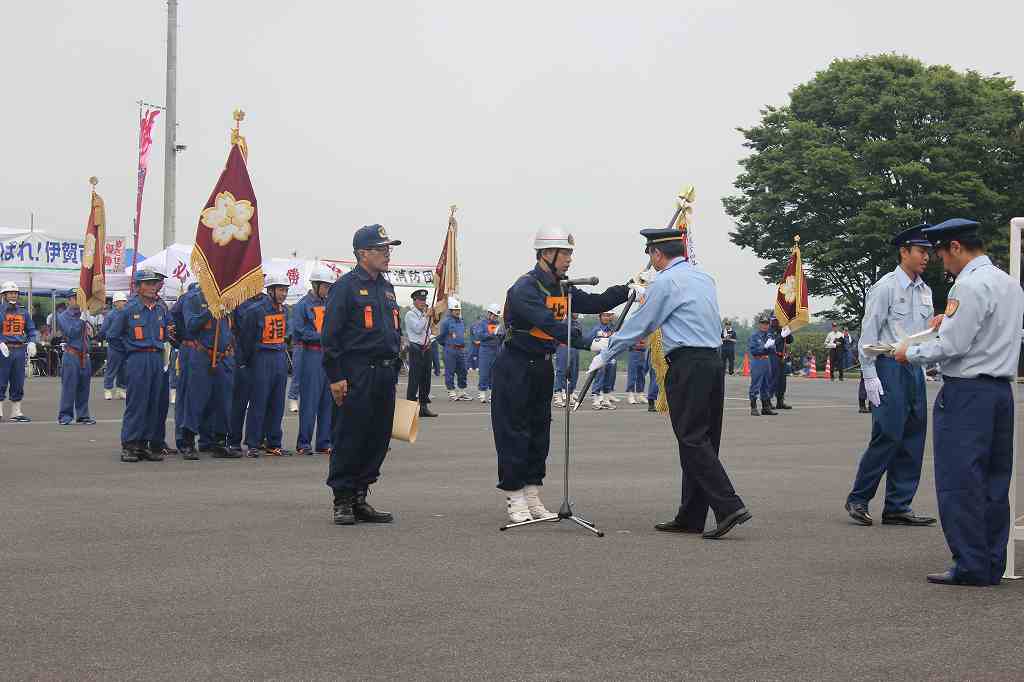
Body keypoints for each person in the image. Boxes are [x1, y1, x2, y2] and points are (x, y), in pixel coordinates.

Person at [589, 228, 751, 538]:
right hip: (712, 361)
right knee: (703, 439)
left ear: (656, 254)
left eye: (650, 255)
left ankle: (729, 506)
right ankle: (691, 514)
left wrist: (608, 352)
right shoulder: (703, 277)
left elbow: (642, 323)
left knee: (691, 438)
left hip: (688, 364)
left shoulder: (664, 281)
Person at [896, 218, 1024, 586]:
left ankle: (970, 564)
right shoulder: (1009, 284)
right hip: (1001, 391)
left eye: (940, 253)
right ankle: (990, 563)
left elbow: (953, 346)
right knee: (995, 482)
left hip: (967, 393)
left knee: (959, 479)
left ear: (955, 247)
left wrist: (910, 351)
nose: (940, 262)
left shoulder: (967, 285)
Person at [492, 225, 628, 523]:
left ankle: (532, 493)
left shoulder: (561, 286)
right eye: (564, 253)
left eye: (570, 253)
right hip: (515, 364)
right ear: (545, 254)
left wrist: (628, 289)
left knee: (540, 430)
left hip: (541, 364)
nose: (569, 259)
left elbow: (595, 303)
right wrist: (587, 341)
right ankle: (514, 496)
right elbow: (549, 323)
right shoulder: (525, 288)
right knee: (514, 430)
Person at [844, 224, 937, 528]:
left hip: (914, 367)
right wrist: (869, 375)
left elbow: (926, 335)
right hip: (888, 366)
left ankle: (898, 505)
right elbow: (869, 335)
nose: (926, 257)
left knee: (913, 436)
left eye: (928, 252)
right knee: (888, 433)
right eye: (921, 251)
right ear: (904, 252)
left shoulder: (925, 290)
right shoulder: (885, 287)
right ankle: (858, 498)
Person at [323, 224, 402, 526]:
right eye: (381, 249)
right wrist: (336, 376)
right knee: (350, 437)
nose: (387, 254)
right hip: (356, 374)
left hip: (384, 374)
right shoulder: (345, 288)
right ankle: (342, 499)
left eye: (388, 249)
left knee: (377, 437)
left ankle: (360, 495)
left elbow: (393, 330)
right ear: (362, 253)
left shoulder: (387, 287)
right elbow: (331, 337)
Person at [111, 269, 169, 461]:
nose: (153, 287)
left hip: (156, 359)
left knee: (154, 403)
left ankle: (144, 444)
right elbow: (113, 336)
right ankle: (130, 444)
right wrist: (129, 353)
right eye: (148, 283)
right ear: (137, 287)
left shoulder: (160, 309)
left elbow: (168, 333)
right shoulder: (129, 309)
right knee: (137, 403)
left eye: (154, 283)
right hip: (137, 359)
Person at [181, 283, 238, 459]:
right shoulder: (193, 298)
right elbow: (190, 325)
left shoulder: (229, 297)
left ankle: (219, 442)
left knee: (224, 401)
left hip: (224, 357)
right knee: (196, 400)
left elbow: (232, 327)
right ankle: (188, 442)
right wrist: (211, 310)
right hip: (203, 355)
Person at [242, 274, 292, 457]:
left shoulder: (285, 311)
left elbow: (286, 335)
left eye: (285, 290)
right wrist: (248, 361)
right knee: (259, 401)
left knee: (277, 403)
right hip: (262, 357)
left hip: (279, 356)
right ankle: (253, 442)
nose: (283, 294)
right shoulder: (256, 310)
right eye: (280, 290)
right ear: (270, 290)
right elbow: (247, 338)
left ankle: (273, 442)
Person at [291, 268, 336, 455]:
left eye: (328, 286)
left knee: (328, 401)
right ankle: (303, 443)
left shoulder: (330, 304)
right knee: (310, 401)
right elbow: (299, 332)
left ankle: (324, 442)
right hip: (311, 355)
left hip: (328, 356)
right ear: (315, 285)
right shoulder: (302, 305)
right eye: (325, 286)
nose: (327, 290)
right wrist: (323, 336)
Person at [56, 290, 95, 425]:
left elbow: (93, 335)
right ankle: (65, 415)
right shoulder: (63, 316)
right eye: (75, 298)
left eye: (80, 299)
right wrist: (82, 320)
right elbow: (71, 332)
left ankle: (83, 415)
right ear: (69, 300)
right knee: (69, 386)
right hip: (72, 354)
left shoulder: (84, 314)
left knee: (84, 387)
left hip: (85, 355)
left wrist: (88, 319)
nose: (77, 301)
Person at [0, 281, 38, 422]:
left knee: (18, 381)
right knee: (1, 380)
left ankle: (16, 412)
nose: (13, 295)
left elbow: (31, 329)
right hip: (3, 349)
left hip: (19, 349)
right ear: (3, 295)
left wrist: (32, 341)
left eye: (15, 293)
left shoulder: (23, 311)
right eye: (10, 293)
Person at [404, 288, 438, 418]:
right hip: (415, 348)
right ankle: (411, 408)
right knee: (414, 379)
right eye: (420, 300)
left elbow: (427, 332)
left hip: (426, 347)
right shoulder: (410, 315)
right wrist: (426, 316)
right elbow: (418, 329)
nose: (423, 302)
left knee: (426, 378)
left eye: (424, 300)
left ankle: (423, 406)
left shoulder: (425, 315)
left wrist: (430, 339)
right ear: (414, 301)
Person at [438, 299, 470, 400]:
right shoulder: (446, 322)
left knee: (463, 370)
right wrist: (448, 345)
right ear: (450, 311)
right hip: (450, 350)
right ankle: (451, 391)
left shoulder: (461, 321)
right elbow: (440, 337)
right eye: (455, 310)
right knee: (450, 371)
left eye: (458, 310)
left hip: (461, 350)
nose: (457, 312)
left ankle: (462, 391)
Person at [99, 292, 128, 401]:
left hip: (125, 345)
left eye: (125, 301)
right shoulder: (111, 315)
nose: (125, 303)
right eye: (123, 301)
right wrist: (102, 337)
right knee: (112, 368)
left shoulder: (127, 314)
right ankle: (108, 389)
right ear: (116, 302)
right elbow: (103, 329)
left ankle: (121, 390)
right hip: (114, 345)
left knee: (124, 369)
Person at [587, 311, 618, 409]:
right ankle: (596, 398)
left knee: (610, 377)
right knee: (600, 375)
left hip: (611, 357)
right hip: (601, 356)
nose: (606, 317)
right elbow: (588, 340)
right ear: (600, 317)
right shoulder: (596, 329)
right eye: (604, 315)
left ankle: (606, 399)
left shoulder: (612, 329)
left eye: (608, 316)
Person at [747, 317, 777, 416]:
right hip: (757, 361)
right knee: (756, 384)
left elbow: (773, 349)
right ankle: (753, 407)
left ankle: (765, 407)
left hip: (766, 361)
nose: (765, 325)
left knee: (766, 384)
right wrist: (764, 348)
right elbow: (754, 351)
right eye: (763, 323)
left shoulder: (769, 335)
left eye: (767, 324)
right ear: (759, 324)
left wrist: (769, 348)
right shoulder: (754, 336)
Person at [552, 313, 581, 409]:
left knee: (574, 372)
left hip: (574, 348)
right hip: (563, 347)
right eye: (575, 311)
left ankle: (570, 393)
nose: (577, 313)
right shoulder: (563, 321)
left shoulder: (577, 323)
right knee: (561, 371)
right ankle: (558, 394)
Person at [475, 303, 502, 403]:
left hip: (496, 349)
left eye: (496, 316)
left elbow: (502, 336)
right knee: (484, 372)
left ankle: (492, 393)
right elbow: (479, 335)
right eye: (494, 315)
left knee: (494, 373)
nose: (495, 317)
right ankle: (482, 393)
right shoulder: (483, 323)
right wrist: (491, 334)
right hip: (485, 350)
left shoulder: (499, 324)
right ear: (489, 314)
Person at [768, 316, 794, 410]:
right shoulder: (770, 330)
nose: (776, 322)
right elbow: (772, 343)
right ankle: (768, 401)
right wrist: (781, 335)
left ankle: (780, 401)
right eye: (774, 320)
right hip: (773, 356)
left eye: (778, 320)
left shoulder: (782, 328)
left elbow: (791, 340)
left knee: (782, 381)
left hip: (782, 357)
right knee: (773, 380)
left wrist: (788, 331)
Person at [625, 337, 648, 404]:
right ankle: (630, 394)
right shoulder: (632, 328)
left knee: (641, 374)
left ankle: (640, 394)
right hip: (634, 351)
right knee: (632, 374)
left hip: (643, 352)